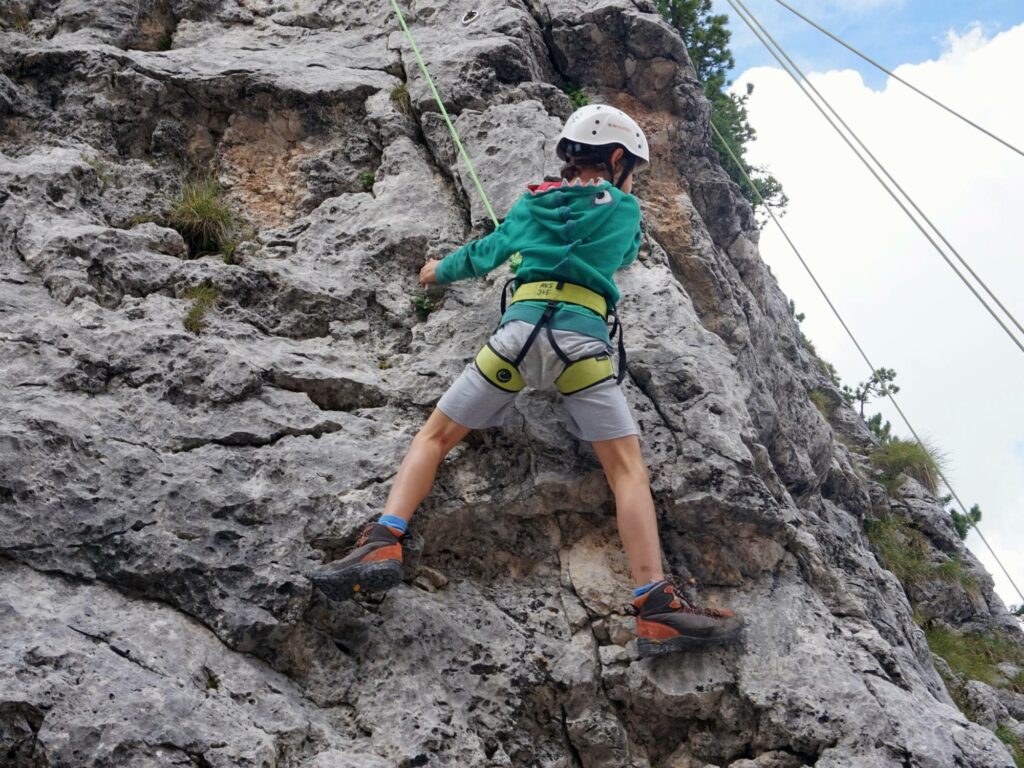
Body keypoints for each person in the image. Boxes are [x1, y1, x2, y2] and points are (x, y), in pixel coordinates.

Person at [310, 105, 743, 657]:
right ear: (616, 158)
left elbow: (484, 255)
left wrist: (435, 271)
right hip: (582, 349)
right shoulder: (626, 209)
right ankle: (654, 604)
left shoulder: (531, 203)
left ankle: (383, 541)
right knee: (627, 471)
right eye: (630, 166)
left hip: (514, 341)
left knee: (434, 438)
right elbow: (627, 252)